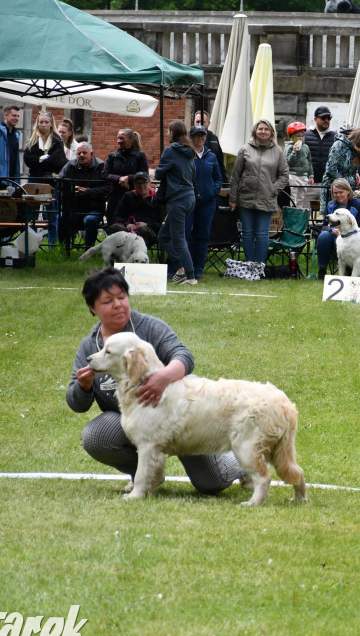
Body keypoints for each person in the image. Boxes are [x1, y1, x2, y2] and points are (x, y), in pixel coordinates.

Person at [67, 267, 245, 495]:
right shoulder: (90, 347)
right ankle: (148, 476)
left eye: (122, 297)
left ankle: (243, 462)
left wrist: (163, 377)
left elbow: (184, 356)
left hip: (177, 419)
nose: (118, 305)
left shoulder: (148, 327)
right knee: (95, 437)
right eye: (107, 301)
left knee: (212, 482)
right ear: (93, 308)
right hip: (128, 420)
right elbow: (76, 404)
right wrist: (83, 387)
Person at [229, 119, 290, 267]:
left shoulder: (278, 151)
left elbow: (284, 174)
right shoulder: (245, 149)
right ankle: (250, 265)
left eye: (266, 129)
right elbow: (235, 175)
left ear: (271, 132)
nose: (263, 131)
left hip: (267, 198)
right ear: (255, 131)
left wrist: (273, 189)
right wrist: (233, 198)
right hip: (245, 197)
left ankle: (260, 266)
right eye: (260, 129)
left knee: (263, 234)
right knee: (248, 233)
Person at [155, 120, 199, 285]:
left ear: (173, 132)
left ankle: (191, 277)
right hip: (190, 198)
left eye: (168, 130)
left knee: (179, 239)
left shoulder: (171, 150)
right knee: (163, 236)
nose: (167, 133)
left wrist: (163, 169)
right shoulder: (190, 150)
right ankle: (180, 270)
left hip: (178, 199)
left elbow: (159, 173)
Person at [185, 125, 222, 281]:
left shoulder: (211, 156)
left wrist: (212, 191)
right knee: (184, 235)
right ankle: (183, 268)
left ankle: (198, 269)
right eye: (196, 135)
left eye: (202, 135)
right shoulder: (186, 155)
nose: (200, 138)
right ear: (191, 137)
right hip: (188, 201)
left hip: (207, 203)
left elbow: (218, 178)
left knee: (202, 236)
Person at [58, 142, 110, 248]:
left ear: (92, 154)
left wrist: (88, 191)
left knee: (90, 220)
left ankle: (88, 249)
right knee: (61, 217)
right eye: (79, 153)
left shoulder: (101, 166)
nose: (81, 155)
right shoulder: (70, 165)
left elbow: (108, 188)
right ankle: (64, 248)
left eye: (84, 153)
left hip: (94, 207)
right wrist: (72, 189)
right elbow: (59, 182)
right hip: (74, 207)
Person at [316, 179, 360, 278]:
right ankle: (322, 271)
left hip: (355, 238)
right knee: (323, 236)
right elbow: (324, 226)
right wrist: (332, 230)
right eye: (335, 193)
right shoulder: (331, 205)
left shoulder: (359, 204)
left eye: (341, 192)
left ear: (348, 191)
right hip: (336, 237)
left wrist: (347, 234)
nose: (338, 195)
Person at [103, 128, 149, 224]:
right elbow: (105, 174)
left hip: (134, 196)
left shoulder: (140, 156)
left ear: (131, 139)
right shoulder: (112, 156)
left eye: (122, 138)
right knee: (113, 222)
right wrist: (119, 178)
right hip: (115, 195)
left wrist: (129, 178)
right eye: (118, 138)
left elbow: (144, 174)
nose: (119, 141)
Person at [320, 126, 360, 210]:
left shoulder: (354, 148)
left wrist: (355, 173)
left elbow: (350, 166)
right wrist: (345, 183)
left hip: (347, 190)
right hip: (334, 189)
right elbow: (331, 169)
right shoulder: (339, 145)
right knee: (332, 216)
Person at [22, 111, 67, 183]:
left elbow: (58, 161)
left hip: (51, 179)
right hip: (35, 177)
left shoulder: (57, 141)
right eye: (41, 122)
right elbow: (27, 159)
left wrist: (38, 162)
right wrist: (40, 159)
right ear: (37, 123)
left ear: (51, 124)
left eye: (46, 122)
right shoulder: (32, 141)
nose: (43, 125)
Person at [284, 121, 314, 209]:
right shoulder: (289, 147)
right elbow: (288, 163)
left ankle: (299, 212)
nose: (301, 138)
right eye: (298, 136)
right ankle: (292, 211)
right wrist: (294, 152)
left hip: (304, 176)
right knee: (293, 197)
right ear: (292, 137)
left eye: (303, 135)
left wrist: (311, 175)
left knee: (301, 197)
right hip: (293, 175)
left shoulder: (306, 147)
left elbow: (309, 162)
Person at [305, 106, 336, 184]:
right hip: (309, 183)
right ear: (315, 119)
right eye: (323, 118)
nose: (326, 120)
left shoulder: (336, 137)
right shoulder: (306, 136)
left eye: (329, 118)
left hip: (329, 183)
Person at [192, 110, 225, 180]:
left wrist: (221, 184)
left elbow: (220, 162)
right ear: (193, 122)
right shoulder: (188, 138)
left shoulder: (214, 138)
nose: (200, 124)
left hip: (210, 182)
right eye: (197, 121)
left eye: (203, 122)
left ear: (208, 123)